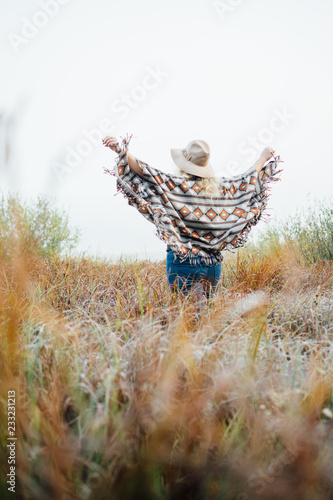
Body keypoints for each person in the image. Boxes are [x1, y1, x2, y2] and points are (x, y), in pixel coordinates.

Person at [103, 135, 281, 307]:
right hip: (213, 266)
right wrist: (263, 157)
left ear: (184, 165)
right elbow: (248, 179)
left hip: (184, 263)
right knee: (206, 320)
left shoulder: (176, 186)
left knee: (193, 321)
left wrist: (119, 149)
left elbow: (143, 170)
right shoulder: (222, 190)